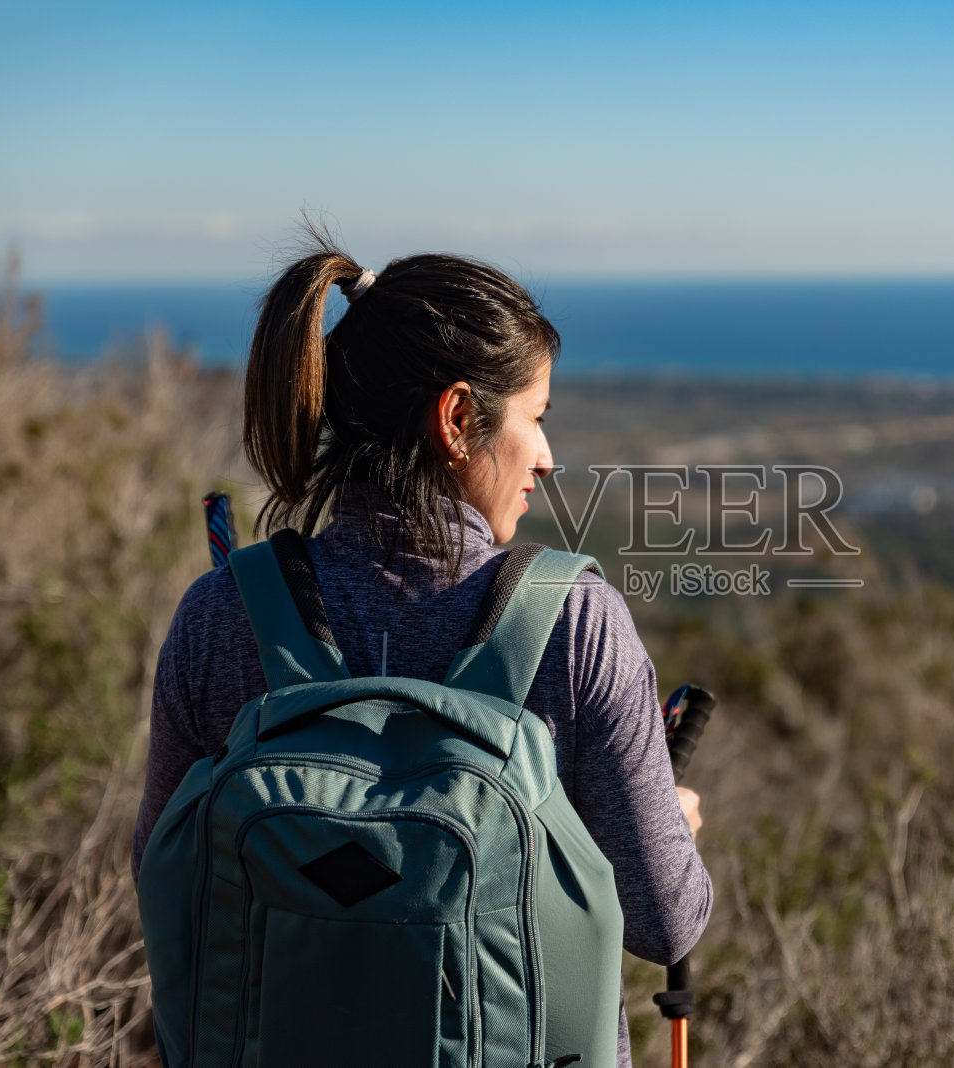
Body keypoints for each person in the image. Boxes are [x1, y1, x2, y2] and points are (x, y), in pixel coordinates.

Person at [132, 227, 711, 1067]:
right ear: (457, 418)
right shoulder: (574, 622)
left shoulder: (222, 615)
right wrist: (676, 830)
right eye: (535, 420)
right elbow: (664, 921)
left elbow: (165, 880)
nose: (546, 458)